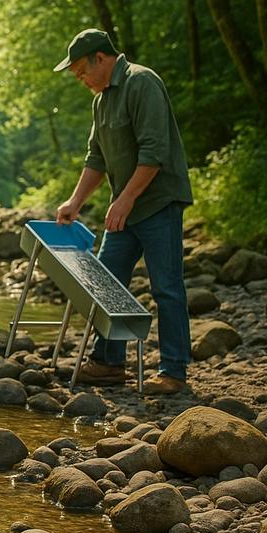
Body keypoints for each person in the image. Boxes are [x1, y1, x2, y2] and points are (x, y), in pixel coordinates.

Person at [53, 28, 194, 394]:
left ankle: (174, 372)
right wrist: (75, 202)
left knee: (167, 288)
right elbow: (96, 158)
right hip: (125, 208)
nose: (79, 79)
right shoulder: (101, 101)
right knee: (104, 283)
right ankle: (108, 363)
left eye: (81, 71)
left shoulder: (142, 83)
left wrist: (127, 198)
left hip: (158, 202)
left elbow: (154, 151)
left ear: (101, 58)